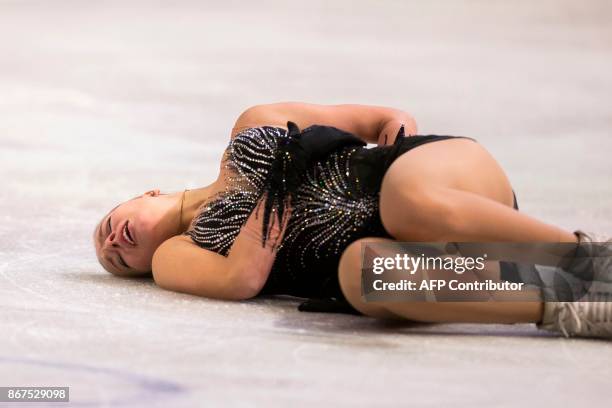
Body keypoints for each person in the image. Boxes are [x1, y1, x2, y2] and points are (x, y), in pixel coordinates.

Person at [92, 102, 612, 339]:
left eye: (108, 227)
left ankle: (590, 261)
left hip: (449, 189)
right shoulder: (176, 254)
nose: (116, 241)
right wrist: (282, 184)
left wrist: (397, 138)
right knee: (361, 272)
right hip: (442, 267)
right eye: (116, 258)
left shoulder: (252, 125)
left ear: (146, 193)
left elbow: (384, 119)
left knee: (406, 199)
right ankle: (573, 307)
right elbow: (242, 277)